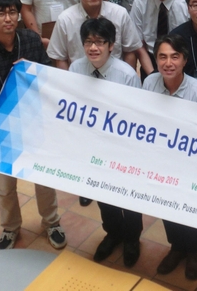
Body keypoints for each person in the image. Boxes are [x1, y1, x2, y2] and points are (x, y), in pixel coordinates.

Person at [0, 0, 66, 251]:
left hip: (35, 121)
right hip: (1, 127)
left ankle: (52, 222)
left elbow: (48, 77)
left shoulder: (31, 40)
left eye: (12, 12)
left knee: (43, 178)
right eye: (1, 13)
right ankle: (10, 227)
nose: (8, 18)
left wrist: (33, 69)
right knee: (5, 185)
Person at [68, 18, 144, 267]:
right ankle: (113, 233)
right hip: (91, 146)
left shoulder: (126, 75)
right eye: (88, 42)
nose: (93, 48)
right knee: (102, 194)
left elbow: (136, 116)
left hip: (123, 148)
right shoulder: (75, 69)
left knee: (128, 197)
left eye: (100, 42)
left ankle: (132, 239)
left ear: (111, 45)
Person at [143, 35, 197, 280]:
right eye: (162, 57)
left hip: (189, 161)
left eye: (174, 57)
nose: (168, 63)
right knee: (166, 205)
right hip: (158, 158)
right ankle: (176, 247)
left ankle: (194, 250)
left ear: (184, 60)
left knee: (190, 208)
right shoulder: (149, 83)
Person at [47, 0, 149, 73]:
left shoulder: (119, 14)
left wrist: (125, 79)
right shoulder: (65, 19)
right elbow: (60, 58)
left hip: (114, 77)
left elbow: (130, 51)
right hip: (79, 77)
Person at [130, 0, 189, 73]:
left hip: (183, 58)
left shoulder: (187, 0)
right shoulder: (140, 2)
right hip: (152, 59)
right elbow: (138, 44)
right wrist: (152, 74)